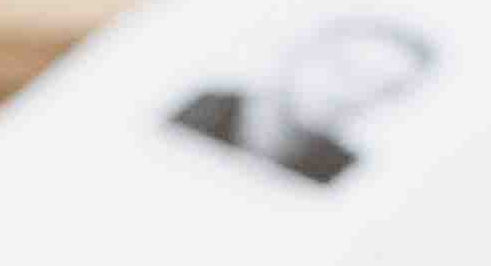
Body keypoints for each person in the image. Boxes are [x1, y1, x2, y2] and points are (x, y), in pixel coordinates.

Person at [167, 18, 439, 187]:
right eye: (346, 70)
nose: (351, 95)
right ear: (302, 52)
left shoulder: (340, 173)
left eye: (382, 90)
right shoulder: (195, 111)